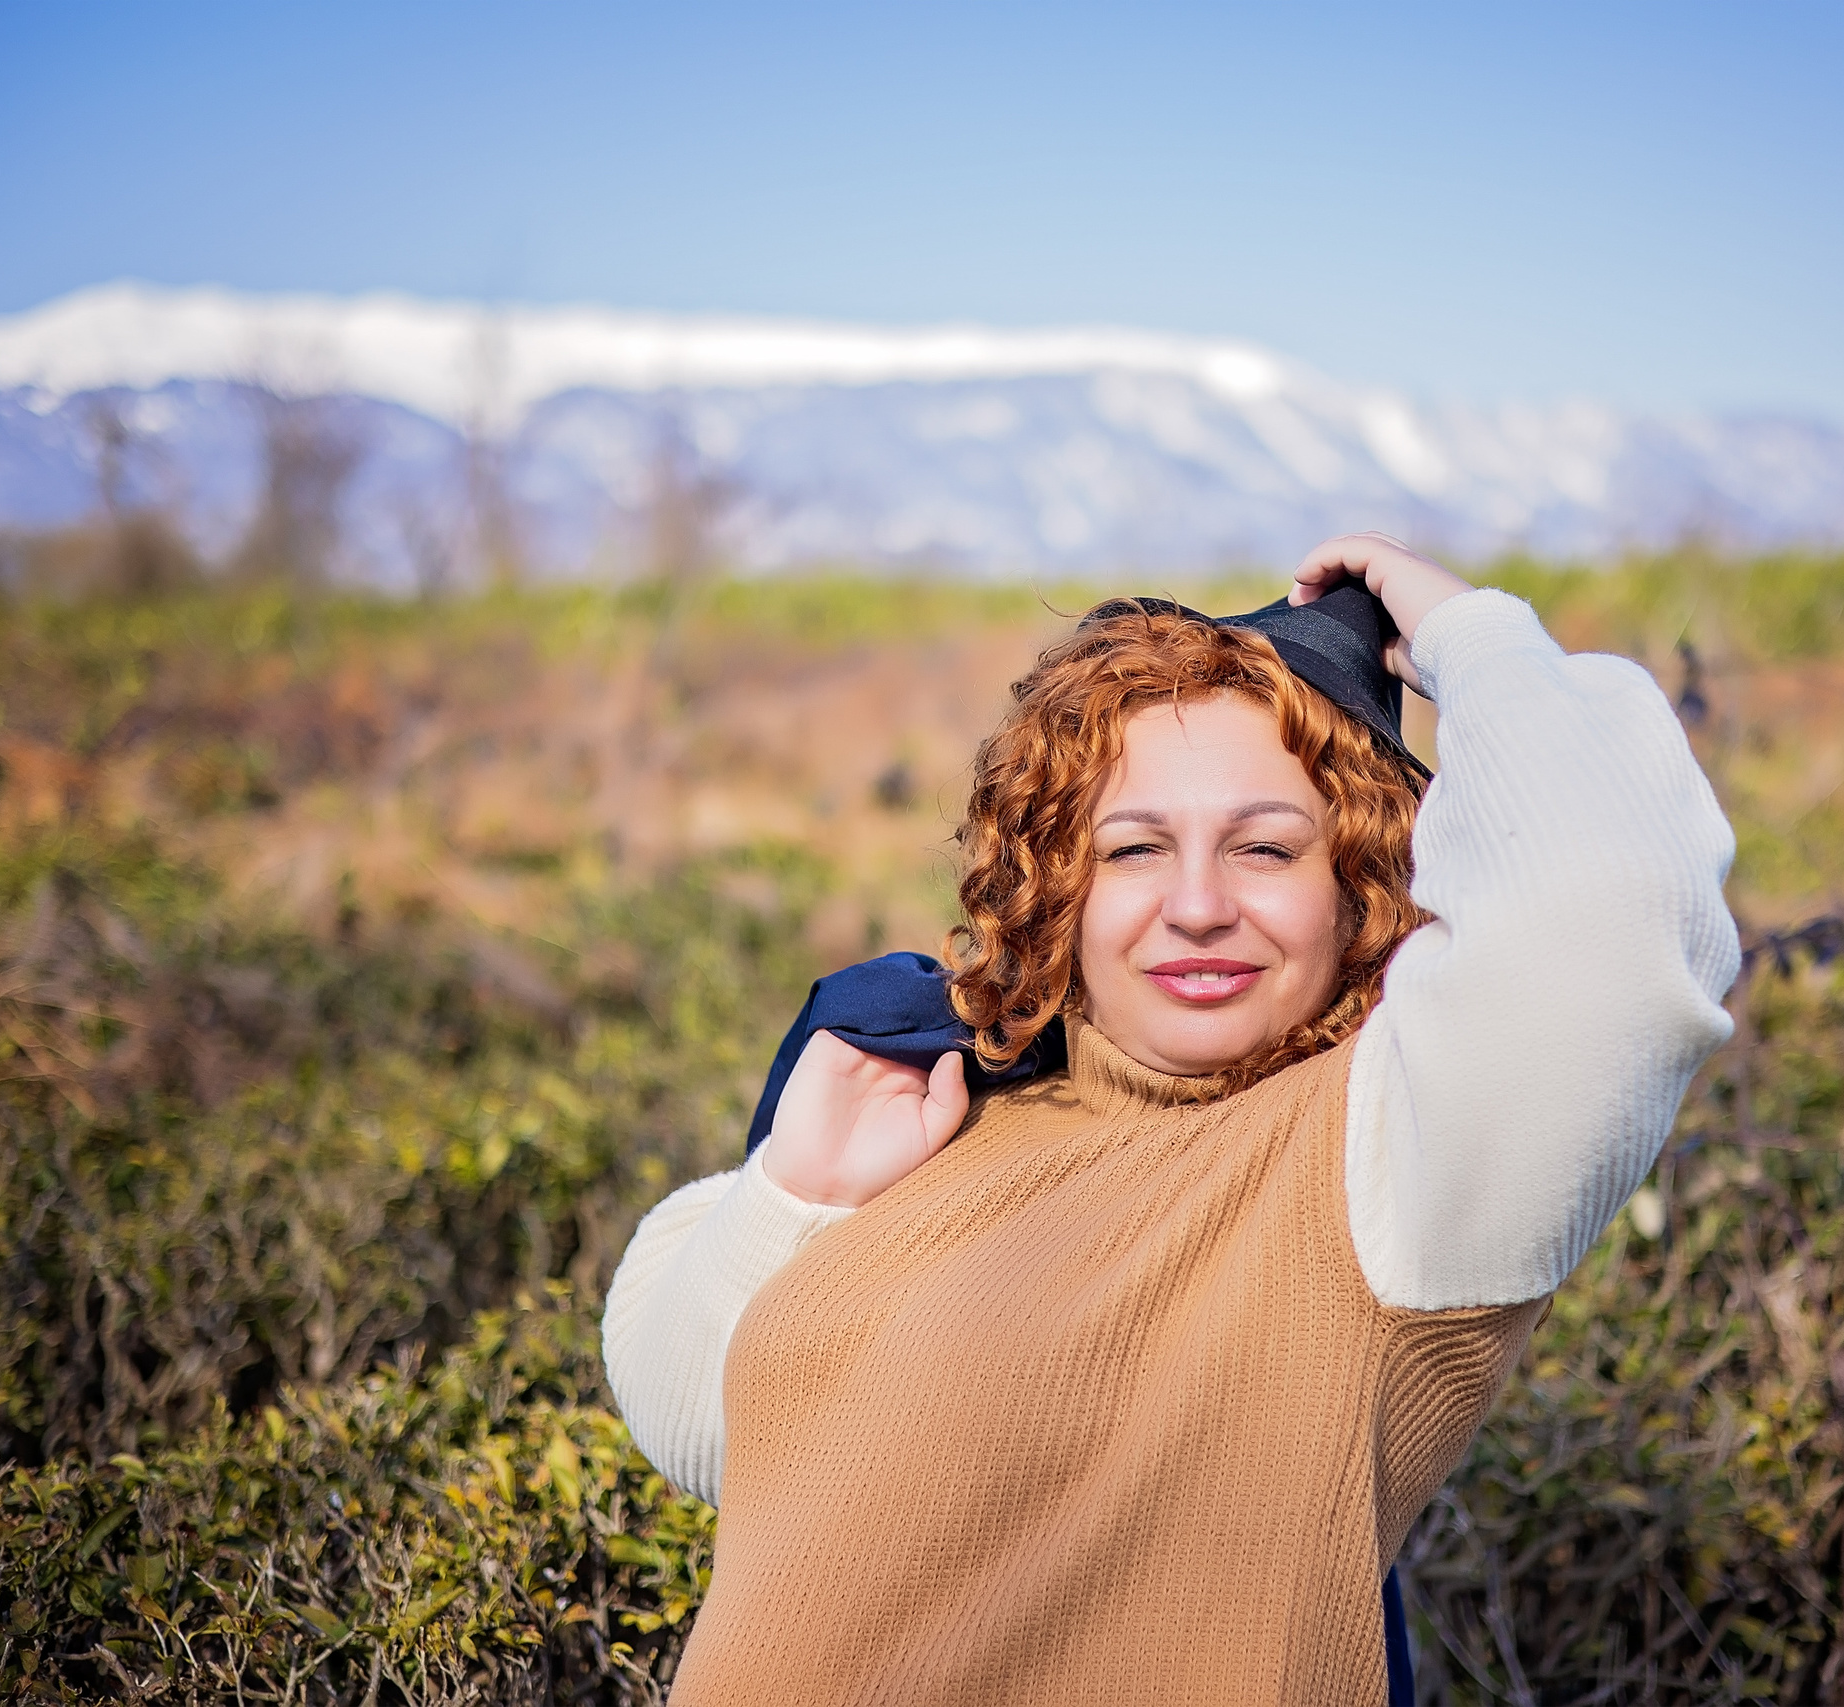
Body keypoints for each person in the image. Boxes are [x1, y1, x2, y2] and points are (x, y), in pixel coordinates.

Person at [603, 535, 1741, 1705]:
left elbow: (1620, 912)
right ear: (1059, 879)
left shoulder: (1388, 1154)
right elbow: (706, 1437)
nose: (1198, 905)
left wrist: (1470, 634)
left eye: (1265, 847)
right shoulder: (961, 1100)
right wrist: (799, 1196)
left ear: (1359, 881)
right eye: (1134, 848)